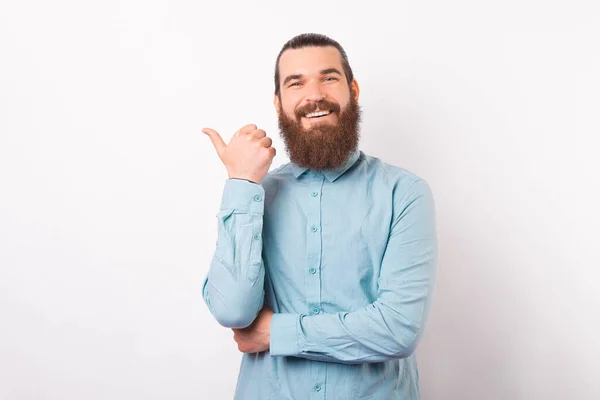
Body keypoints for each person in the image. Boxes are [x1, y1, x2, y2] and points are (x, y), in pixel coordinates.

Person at [201, 33, 438, 400]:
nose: (314, 95)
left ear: (353, 91)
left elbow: (398, 329)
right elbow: (233, 310)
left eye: (328, 78)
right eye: (296, 83)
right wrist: (241, 183)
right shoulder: (254, 194)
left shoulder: (403, 193)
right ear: (279, 104)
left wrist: (275, 333)